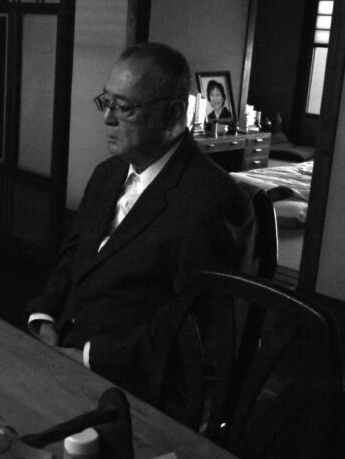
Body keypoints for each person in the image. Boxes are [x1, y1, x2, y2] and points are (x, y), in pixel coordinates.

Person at [26, 42, 254, 397]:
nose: (107, 118)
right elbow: (74, 255)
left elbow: (192, 325)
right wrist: (45, 316)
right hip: (61, 349)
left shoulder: (214, 200)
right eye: (106, 101)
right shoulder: (108, 173)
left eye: (124, 108)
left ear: (173, 114)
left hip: (133, 383)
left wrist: (88, 357)